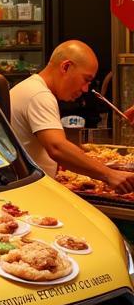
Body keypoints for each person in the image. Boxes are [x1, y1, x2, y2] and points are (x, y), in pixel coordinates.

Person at [10, 40, 134, 193]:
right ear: (66, 67)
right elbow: (57, 147)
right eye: (86, 79)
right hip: (28, 192)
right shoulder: (39, 94)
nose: (85, 89)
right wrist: (109, 174)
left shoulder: (31, 87)